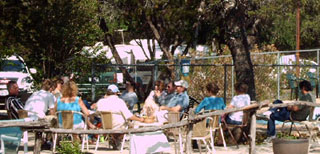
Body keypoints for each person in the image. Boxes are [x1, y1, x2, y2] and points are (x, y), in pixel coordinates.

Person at [94, 84, 144, 149]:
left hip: (105, 126)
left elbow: (97, 113)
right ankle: (118, 139)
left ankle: (114, 139)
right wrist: (140, 119)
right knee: (132, 124)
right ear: (116, 92)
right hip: (118, 126)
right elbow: (128, 116)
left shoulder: (101, 102)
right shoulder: (119, 102)